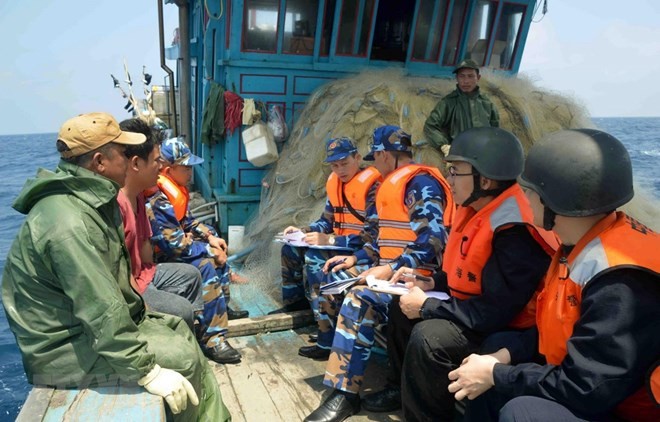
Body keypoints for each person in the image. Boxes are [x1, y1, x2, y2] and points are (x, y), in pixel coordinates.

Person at [1, 112, 230, 420]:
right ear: (99, 162)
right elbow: (100, 309)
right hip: (62, 347)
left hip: (84, 330)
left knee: (179, 329)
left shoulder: (93, 204)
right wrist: (146, 371)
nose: (130, 160)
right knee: (183, 359)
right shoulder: (70, 224)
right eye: (123, 153)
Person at [447, 129, 660, 422]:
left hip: (623, 407)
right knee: (497, 349)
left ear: (556, 202)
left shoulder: (620, 283)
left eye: (530, 193)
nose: (524, 200)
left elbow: (587, 387)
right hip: (598, 386)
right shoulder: (581, 243)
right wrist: (503, 358)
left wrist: (499, 375)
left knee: (522, 412)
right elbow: (560, 329)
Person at [364, 127, 557, 420]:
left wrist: (428, 306)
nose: (449, 180)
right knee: (401, 309)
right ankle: (400, 390)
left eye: (456, 172)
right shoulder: (478, 208)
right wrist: (431, 282)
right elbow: (470, 271)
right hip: (481, 311)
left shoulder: (514, 230)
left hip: (511, 329)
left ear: (485, 179)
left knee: (429, 336)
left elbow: (496, 310)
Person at [303, 125, 455, 422]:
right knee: (335, 279)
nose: (374, 165)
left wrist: (391, 267)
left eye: (375, 158)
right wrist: (356, 260)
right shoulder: (392, 184)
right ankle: (339, 361)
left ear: (385, 155)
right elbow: (379, 239)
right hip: (391, 275)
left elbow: (434, 239)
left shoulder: (421, 184)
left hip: (421, 280)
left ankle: (345, 395)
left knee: (359, 299)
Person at [273, 137, 381, 357]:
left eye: (344, 163)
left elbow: (373, 235)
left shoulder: (373, 187)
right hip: (339, 244)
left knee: (314, 259)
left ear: (357, 158)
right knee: (290, 249)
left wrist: (331, 241)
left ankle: (326, 333)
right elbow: (326, 221)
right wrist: (303, 231)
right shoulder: (335, 183)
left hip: (362, 250)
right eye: (334, 165)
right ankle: (298, 306)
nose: (339, 169)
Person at [146, 137, 245, 364]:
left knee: (216, 241)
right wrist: (210, 251)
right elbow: (176, 245)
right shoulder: (158, 200)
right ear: (169, 169)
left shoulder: (176, 190)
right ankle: (212, 339)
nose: (191, 172)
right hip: (162, 257)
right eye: (186, 167)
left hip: (177, 247)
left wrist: (211, 237)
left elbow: (188, 221)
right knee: (206, 265)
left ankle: (222, 307)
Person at [117, 118, 203, 330]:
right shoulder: (117, 205)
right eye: (157, 160)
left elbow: (145, 250)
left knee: (192, 275)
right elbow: (118, 273)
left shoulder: (138, 197)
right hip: (131, 287)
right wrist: (142, 304)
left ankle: (194, 331)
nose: (161, 166)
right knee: (181, 309)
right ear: (136, 163)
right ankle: (186, 340)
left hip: (145, 273)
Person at [424, 58, 499, 156]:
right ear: (457, 78)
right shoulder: (448, 103)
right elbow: (430, 126)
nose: (466, 81)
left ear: (478, 78)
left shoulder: (487, 104)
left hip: (483, 156)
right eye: (462, 76)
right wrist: (444, 146)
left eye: (470, 76)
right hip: (459, 156)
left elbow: (495, 131)